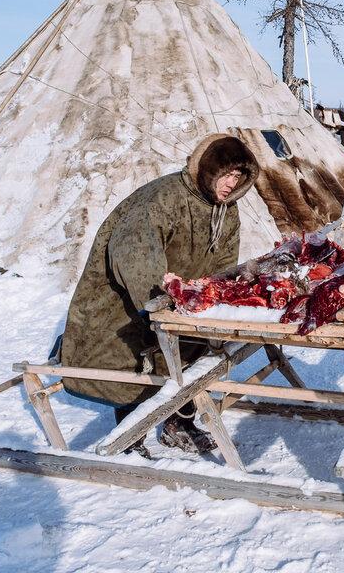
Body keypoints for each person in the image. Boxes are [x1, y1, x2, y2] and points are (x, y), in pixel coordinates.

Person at [60, 133, 258, 454]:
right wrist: (159, 304)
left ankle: (178, 423)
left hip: (180, 299)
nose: (230, 184)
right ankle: (129, 436)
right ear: (208, 169)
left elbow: (224, 260)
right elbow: (134, 248)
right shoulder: (164, 199)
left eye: (237, 177)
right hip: (128, 297)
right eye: (226, 175)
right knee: (128, 363)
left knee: (194, 352)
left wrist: (212, 298)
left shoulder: (227, 210)